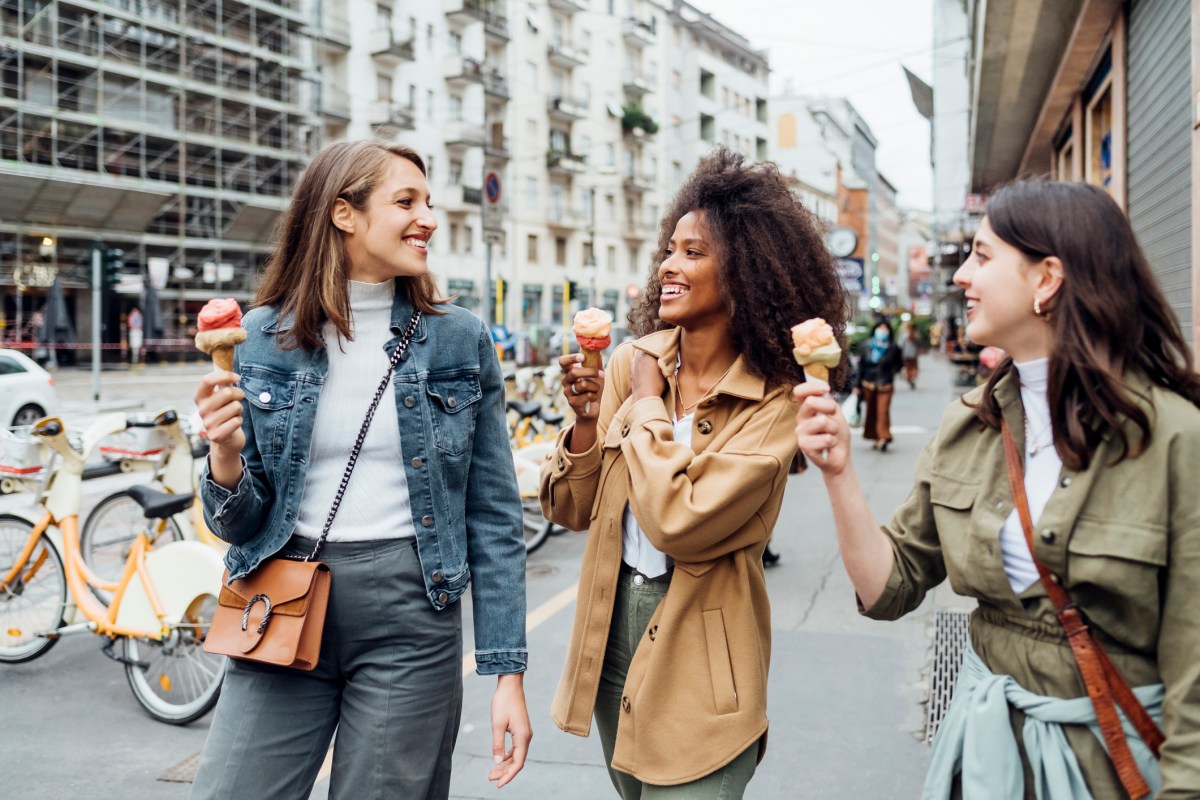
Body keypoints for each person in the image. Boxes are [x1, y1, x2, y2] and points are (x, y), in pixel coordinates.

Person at [793, 180, 1200, 798]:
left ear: (1047, 279)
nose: (961, 277)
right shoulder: (969, 424)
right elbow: (888, 588)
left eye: (983, 257)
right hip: (984, 758)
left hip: (1113, 766)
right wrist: (838, 473)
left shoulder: (1174, 438)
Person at [191, 140, 531, 799]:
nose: (427, 217)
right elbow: (236, 524)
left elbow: (493, 512)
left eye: (427, 203)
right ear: (343, 214)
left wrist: (506, 672)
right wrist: (224, 455)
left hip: (413, 612)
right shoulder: (257, 338)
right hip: (281, 599)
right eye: (405, 202)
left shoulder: (460, 340)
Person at [542, 147, 846, 798]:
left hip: (701, 656)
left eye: (693, 253)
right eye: (670, 250)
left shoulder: (775, 401)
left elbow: (680, 522)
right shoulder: (632, 363)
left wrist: (646, 408)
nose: (668, 267)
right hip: (611, 632)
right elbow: (569, 511)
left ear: (747, 274)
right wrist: (589, 423)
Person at [857, 320, 903, 451]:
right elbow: (861, 367)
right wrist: (856, 386)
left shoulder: (893, 347)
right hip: (868, 383)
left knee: (882, 411)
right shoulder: (866, 346)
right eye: (880, 328)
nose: (882, 331)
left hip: (886, 384)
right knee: (871, 411)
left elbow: (899, 364)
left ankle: (884, 437)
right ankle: (875, 437)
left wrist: (893, 371)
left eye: (885, 329)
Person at [900, 321, 920, 389]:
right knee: (913, 368)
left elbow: (901, 345)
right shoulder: (915, 334)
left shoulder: (904, 335)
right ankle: (912, 379)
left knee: (908, 368)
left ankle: (910, 379)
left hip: (906, 354)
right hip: (913, 354)